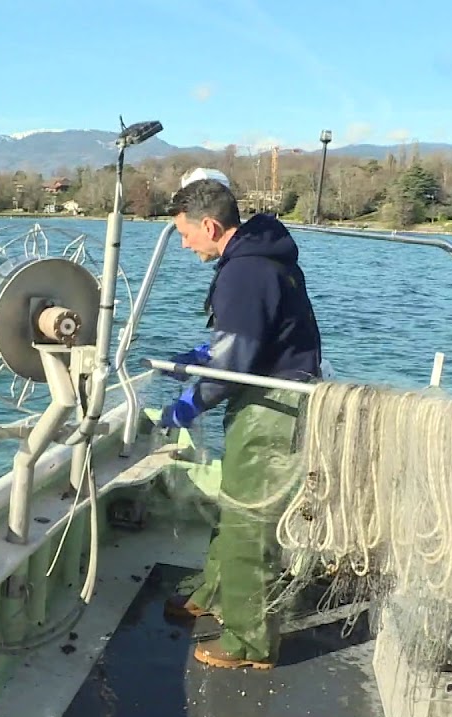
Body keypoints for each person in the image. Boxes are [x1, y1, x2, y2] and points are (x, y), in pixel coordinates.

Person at [157, 169, 323, 670]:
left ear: (209, 227)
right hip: (263, 394)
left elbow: (236, 362)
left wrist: (188, 404)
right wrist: (206, 351)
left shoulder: (245, 272)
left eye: (184, 233)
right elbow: (249, 337)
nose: (184, 245)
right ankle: (214, 593)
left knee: (251, 520)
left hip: (274, 406)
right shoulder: (255, 261)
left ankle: (250, 644)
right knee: (234, 503)